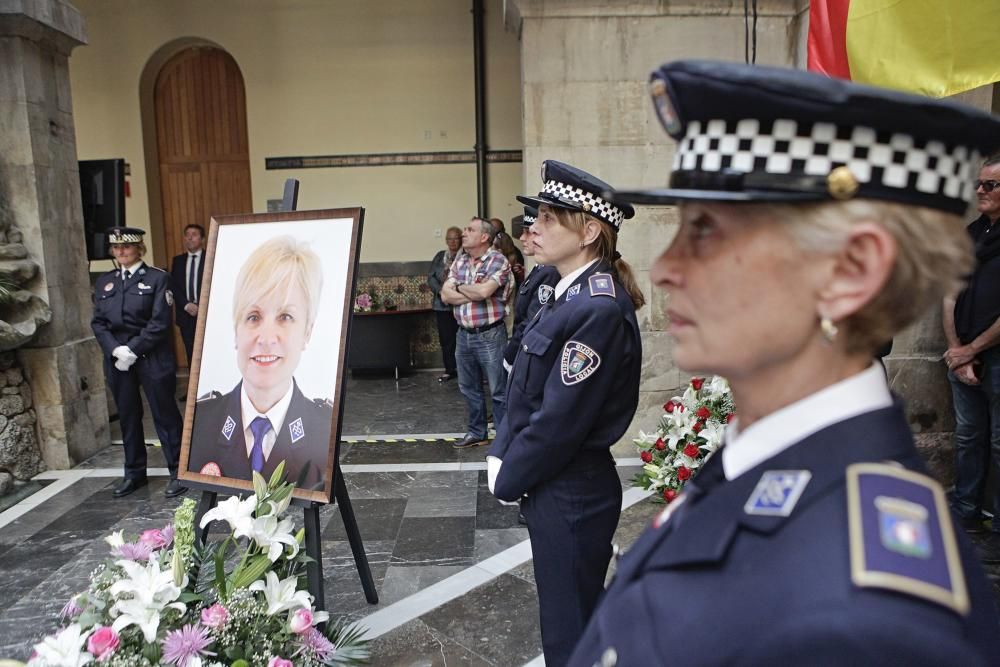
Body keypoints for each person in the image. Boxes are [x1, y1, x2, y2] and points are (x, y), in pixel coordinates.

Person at [569, 60, 1000, 666]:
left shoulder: (867, 623)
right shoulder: (773, 462)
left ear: (850, 272)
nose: (666, 268)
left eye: (708, 232)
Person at [488, 161, 644, 667]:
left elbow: (559, 422)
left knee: (568, 633)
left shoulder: (596, 307)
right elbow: (521, 390)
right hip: (557, 485)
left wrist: (509, 474)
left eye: (552, 218)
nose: (535, 228)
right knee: (565, 622)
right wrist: (502, 448)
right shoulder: (565, 293)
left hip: (573, 489)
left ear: (590, 231)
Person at [187, 236, 332, 491]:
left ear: (307, 332)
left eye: (285, 316)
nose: (266, 339)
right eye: (253, 317)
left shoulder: (324, 428)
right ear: (236, 329)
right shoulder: (200, 423)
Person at [91, 227, 186, 498]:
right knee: (128, 417)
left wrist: (132, 349)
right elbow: (98, 322)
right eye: (116, 247)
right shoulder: (105, 282)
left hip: (151, 357)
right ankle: (134, 473)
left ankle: (178, 471)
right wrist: (115, 350)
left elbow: (159, 323)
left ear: (139, 248)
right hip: (118, 361)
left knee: (165, 415)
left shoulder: (157, 279)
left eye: (127, 247)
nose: (121, 251)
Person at [943, 154, 1000, 561]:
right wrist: (956, 351)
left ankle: (998, 525)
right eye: (979, 184)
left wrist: (973, 349)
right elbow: (948, 293)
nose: (980, 191)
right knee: (969, 437)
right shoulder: (971, 233)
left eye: (990, 185)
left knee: (999, 443)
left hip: (995, 356)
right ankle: (965, 510)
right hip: (961, 354)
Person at [440, 217, 512, 448]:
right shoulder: (460, 261)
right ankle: (477, 432)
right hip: (463, 334)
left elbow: (484, 292)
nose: (464, 232)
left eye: (470, 229)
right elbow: (445, 295)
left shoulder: (498, 260)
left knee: (498, 390)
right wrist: (471, 291)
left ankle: (503, 437)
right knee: (469, 388)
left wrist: (460, 289)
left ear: (484, 237)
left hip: (490, 335)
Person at [503, 205, 559, 373]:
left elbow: (532, 321)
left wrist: (510, 355)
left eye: (530, 232)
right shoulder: (539, 268)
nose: (522, 238)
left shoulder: (549, 271)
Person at [428, 226, 462, 382]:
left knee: (463, 339)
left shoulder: (466, 256)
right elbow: (431, 278)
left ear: (461, 239)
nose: (453, 241)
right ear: (446, 241)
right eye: (449, 239)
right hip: (442, 305)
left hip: (461, 304)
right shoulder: (439, 256)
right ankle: (449, 369)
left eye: (456, 238)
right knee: (446, 339)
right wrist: (442, 291)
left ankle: (465, 370)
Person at [169, 223, 206, 365]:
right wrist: (185, 304)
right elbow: (173, 286)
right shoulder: (178, 261)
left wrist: (201, 306)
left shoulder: (210, 257)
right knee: (191, 353)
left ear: (202, 239)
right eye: (187, 235)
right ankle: (194, 386)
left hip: (206, 313)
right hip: (186, 314)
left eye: (194, 235)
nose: (190, 238)